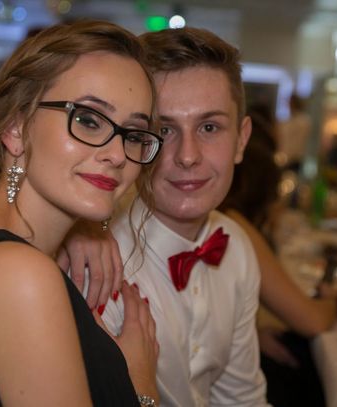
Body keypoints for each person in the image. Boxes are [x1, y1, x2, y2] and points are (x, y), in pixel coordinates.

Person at [0, 20, 162, 406]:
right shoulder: (17, 275)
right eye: (88, 120)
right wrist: (141, 386)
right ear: (16, 128)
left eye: (134, 134)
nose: (118, 154)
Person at [101, 27, 269, 406]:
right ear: (135, 139)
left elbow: (241, 399)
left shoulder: (236, 248)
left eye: (209, 127)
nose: (188, 156)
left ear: (241, 139)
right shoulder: (101, 261)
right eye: (164, 129)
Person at [220, 139, 337, 407]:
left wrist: (252, 332)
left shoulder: (226, 222)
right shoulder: (235, 225)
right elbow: (313, 321)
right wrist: (333, 302)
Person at [277, 93, 312, 174]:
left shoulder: (303, 121)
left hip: (295, 159)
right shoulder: (286, 122)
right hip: (284, 158)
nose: (289, 105)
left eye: (290, 102)